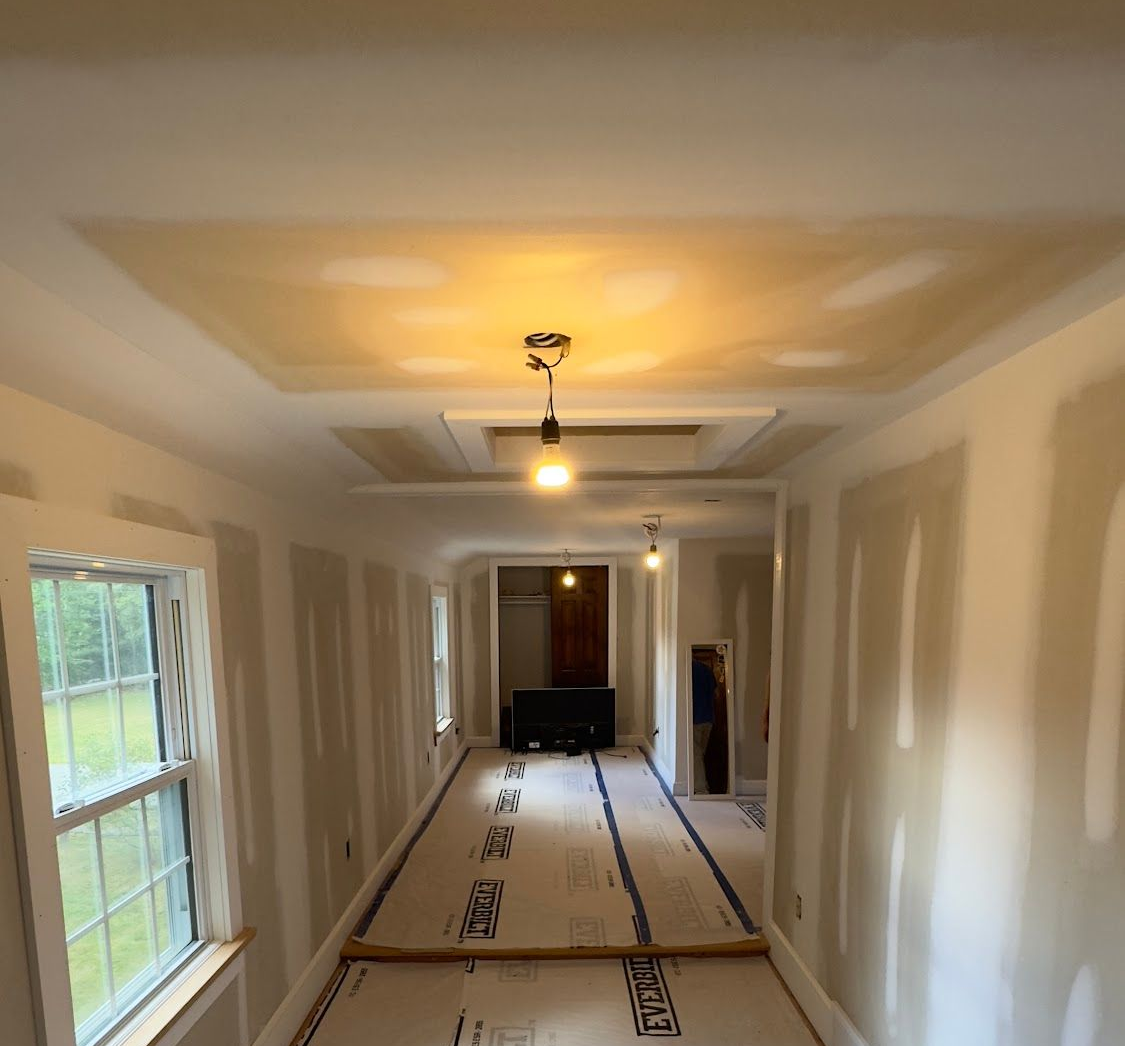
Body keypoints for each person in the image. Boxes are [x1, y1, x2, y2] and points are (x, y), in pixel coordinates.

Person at [691, 657, 716, 792]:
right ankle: (702, 784)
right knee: (700, 754)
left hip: (695, 719)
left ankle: (700, 789)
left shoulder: (687, 670)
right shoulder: (706, 669)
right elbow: (713, 691)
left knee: (696, 755)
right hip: (708, 719)